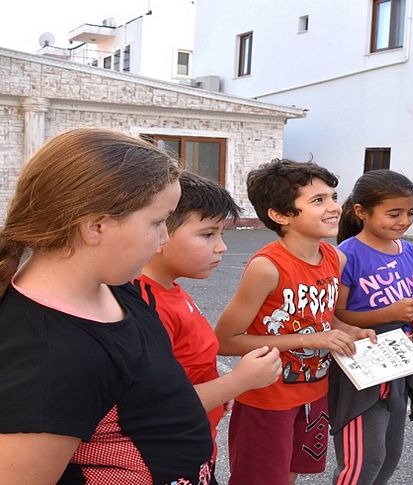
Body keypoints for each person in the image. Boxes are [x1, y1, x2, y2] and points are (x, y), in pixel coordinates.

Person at [0, 128, 214, 483]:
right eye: (159, 222)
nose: (163, 239)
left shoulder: (116, 286)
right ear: (95, 226)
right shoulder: (53, 359)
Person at [214, 159, 375, 485]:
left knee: (289, 474)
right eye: (318, 200)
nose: (333, 207)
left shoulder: (333, 257)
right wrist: (310, 340)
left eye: (333, 196)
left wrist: (350, 331)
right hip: (266, 399)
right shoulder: (267, 267)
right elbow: (226, 340)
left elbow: (321, 316)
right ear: (281, 215)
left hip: (314, 393)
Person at [132, 171, 282, 479]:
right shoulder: (145, 306)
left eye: (222, 234)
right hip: (166, 457)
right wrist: (237, 381)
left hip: (197, 443)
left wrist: (217, 385)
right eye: (207, 234)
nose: (222, 247)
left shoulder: (170, 288)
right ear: (159, 232)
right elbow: (157, 406)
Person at [331, 169, 413, 485]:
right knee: (364, 458)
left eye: (410, 213)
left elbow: (412, 308)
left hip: (400, 359)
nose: (404, 221)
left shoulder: (409, 250)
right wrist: (388, 312)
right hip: (361, 362)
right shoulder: (347, 254)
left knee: (391, 451)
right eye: (394, 213)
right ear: (362, 212)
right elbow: (336, 316)